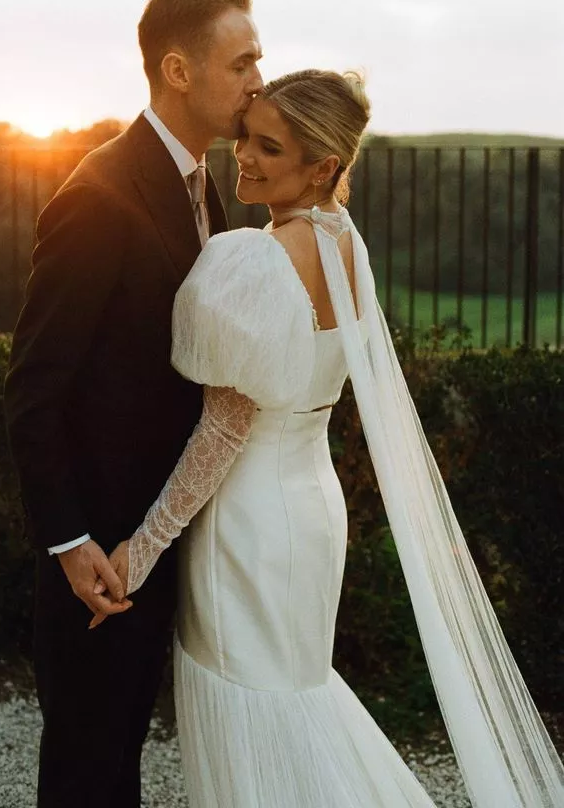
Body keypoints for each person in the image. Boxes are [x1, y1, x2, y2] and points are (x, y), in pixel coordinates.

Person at [94, 69, 564, 807]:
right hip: (310, 509)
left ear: (323, 168)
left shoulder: (254, 260)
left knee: (257, 713)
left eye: (268, 148)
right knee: (295, 698)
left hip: (246, 522)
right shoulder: (346, 246)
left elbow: (223, 428)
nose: (242, 156)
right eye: (246, 136)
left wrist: (141, 550)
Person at [3, 0, 263, 808]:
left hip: (157, 536)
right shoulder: (99, 196)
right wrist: (70, 541)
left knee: (120, 763)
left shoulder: (202, 186)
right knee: (87, 770)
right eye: (242, 62)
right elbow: (35, 387)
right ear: (178, 71)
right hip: (99, 559)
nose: (258, 80)